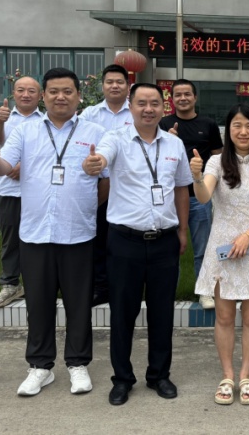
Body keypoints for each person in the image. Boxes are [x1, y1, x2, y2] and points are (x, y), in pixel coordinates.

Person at [0, 67, 108, 397]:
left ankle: (78, 364)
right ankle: (40, 366)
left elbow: (105, 176)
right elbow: (4, 166)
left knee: (79, 303)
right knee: (38, 303)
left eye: (67, 91)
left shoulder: (96, 131)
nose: (60, 97)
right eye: (53, 91)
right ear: (44, 96)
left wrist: (88, 198)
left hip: (78, 233)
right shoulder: (25, 131)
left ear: (79, 95)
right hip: (35, 232)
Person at [82, 83, 191, 406]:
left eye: (154, 103)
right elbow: (101, 158)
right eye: (141, 103)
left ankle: (159, 375)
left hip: (164, 241)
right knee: (122, 313)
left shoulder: (174, 144)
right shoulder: (116, 139)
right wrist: (94, 163)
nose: (148, 109)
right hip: (124, 242)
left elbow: (181, 189)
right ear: (130, 107)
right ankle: (122, 379)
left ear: (163, 107)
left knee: (162, 312)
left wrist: (182, 230)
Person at [191, 104, 249, 406]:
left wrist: (248, 236)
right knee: (224, 316)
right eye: (237, 126)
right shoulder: (216, 162)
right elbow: (204, 196)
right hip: (223, 250)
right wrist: (196, 177)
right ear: (228, 130)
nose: (243, 132)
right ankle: (227, 376)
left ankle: (246, 376)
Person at [159, 79, 223, 309]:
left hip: (198, 197)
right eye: (178, 94)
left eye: (187, 94)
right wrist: (168, 140)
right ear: (172, 99)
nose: (183, 98)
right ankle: (168, 292)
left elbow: (218, 157)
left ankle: (205, 292)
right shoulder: (163, 124)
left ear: (195, 97)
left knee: (202, 248)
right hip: (169, 197)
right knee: (169, 248)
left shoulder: (208, 124)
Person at [80, 64, 133, 307]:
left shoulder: (136, 112)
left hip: (129, 185)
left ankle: (124, 286)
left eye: (119, 82)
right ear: (102, 86)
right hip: (98, 183)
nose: (114, 86)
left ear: (128, 86)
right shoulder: (89, 114)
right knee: (99, 236)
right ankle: (100, 286)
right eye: (109, 82)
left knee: (124, 238)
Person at [0, 76, 43, 308]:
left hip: (38, 191)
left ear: (40, 96)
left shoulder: (46, 120)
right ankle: (10, 283)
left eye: (31, 90)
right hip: (9, 189)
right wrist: (1, 121)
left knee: (38, 240)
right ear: (13, 93)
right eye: (20, 90)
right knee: (10, 240)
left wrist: (24, 166)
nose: (25, 94)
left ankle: (37, 284)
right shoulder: (1, 117)